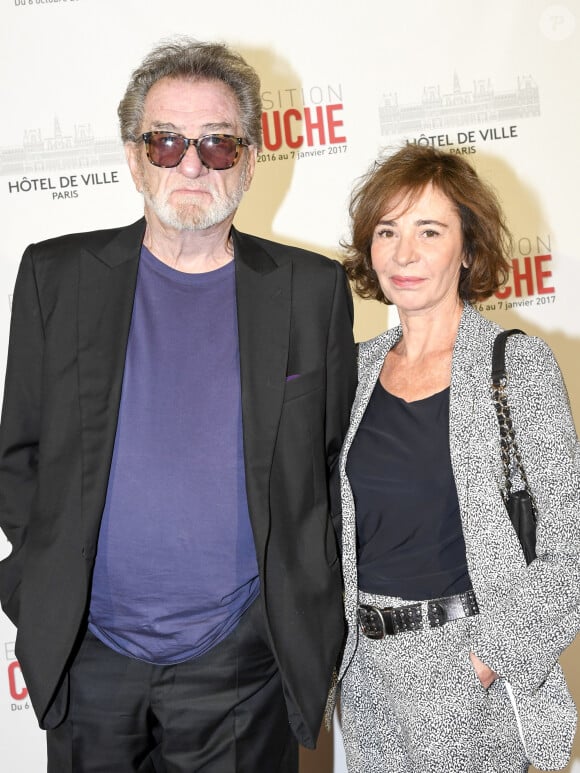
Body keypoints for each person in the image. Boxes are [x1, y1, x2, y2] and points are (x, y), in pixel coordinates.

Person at [0, 38, 357, 772]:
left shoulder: (309, 293)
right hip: (88, 655)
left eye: (217, 145)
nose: (190, 164)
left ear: (251, 161)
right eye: (165, 142)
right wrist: (51, 580)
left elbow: (328, 467)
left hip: (242, 663)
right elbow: (19, 457)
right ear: (134, 157)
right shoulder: (54, 276)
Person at [336, 144, 580, 772]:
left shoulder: (515, 366)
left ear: (468, 249)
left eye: (429, 230)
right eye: (387, 231)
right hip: (365, 678)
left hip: (468, 668)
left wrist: (485, 659)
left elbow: (569, 548)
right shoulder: (356, 372)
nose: (403, 252)